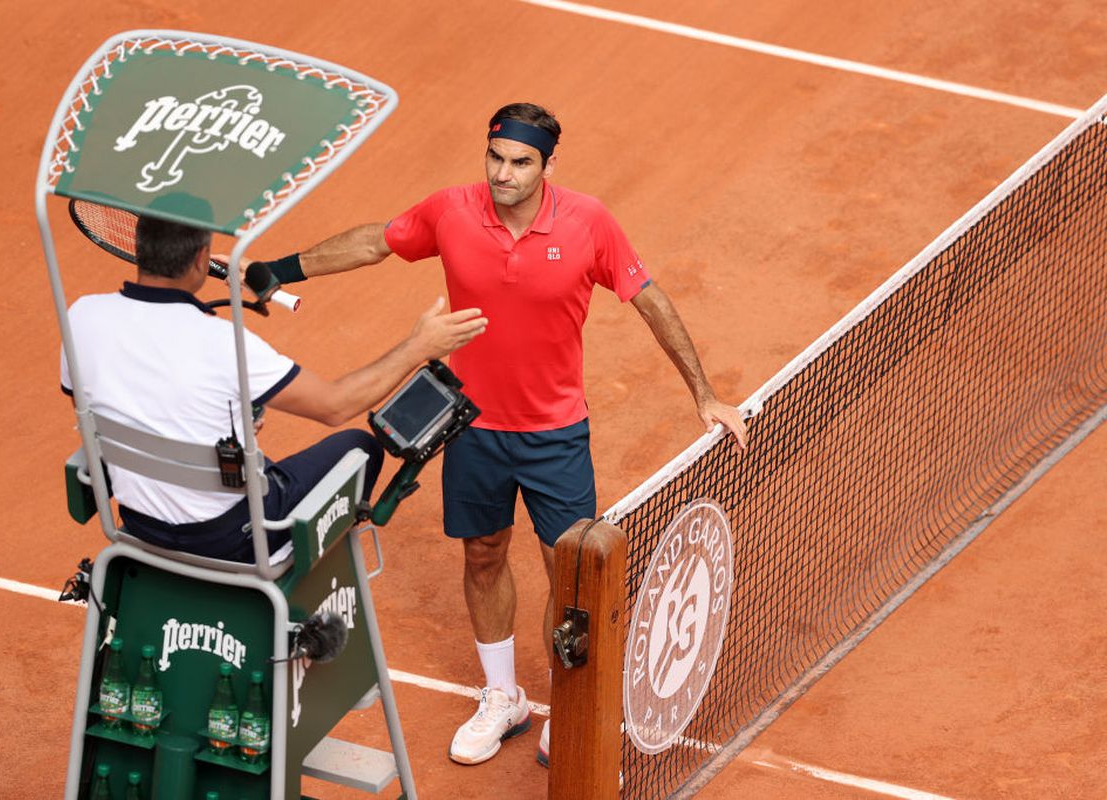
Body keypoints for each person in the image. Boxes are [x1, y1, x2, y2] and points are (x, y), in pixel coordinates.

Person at [228, 102, 748, 765]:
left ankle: (571, 700)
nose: (503, 174)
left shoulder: (589, 223)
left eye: (520, 163)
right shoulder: (452, 210)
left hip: (556, 434)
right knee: (482, 556)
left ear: (548, 165)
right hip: (472, 429)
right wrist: (280, 270)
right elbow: (374, 243)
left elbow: (650, 299)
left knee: (573, 579)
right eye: (495, 158)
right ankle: (503, 698)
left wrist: (704, 392)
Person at [59, 214, 487, 563]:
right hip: (231, 537)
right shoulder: (224, 344)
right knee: (361, 447)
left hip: (138, 523)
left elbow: (113, 400)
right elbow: (336, 405)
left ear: (139, 250)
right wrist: (417, 347)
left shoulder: (83, 316)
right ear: (201, 259)